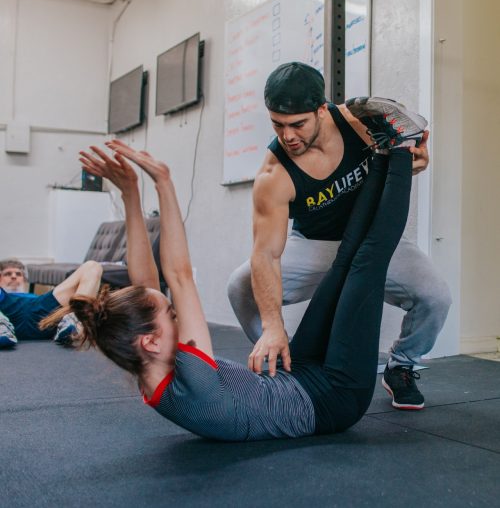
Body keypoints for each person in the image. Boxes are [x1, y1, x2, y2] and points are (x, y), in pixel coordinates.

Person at [44, 128, 414, 442]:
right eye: (171, 315)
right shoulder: (195, 381)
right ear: (151, 341)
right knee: (368, 261)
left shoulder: (144, 362)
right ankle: (401, 146)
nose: (179, 316)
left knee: (344, 262)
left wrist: (130, 194)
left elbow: (149, 284)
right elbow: (180, 276)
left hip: (296, 375)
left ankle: (380, 151)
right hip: (335, 398)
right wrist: (164, 182)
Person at [227, 62, 452, 410]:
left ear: (322, 110)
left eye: (297, 124)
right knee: (240, 286)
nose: (288, 136)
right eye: (278, 125)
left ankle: (401, 365)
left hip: (374, 240)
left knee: (435, 297)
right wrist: (273, 325)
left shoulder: (359, 122)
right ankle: (279, 357)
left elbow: (412, 152)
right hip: (315, 246)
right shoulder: (274, 175)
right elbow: (266, 255)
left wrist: (417, 158)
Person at [0, 258, 102, 348]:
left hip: (43, 311)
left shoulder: (35, 297)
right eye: (8, 274)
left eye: (18, 274)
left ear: (25, 279)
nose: (14, 277)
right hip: (6, 311)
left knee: (92, 267)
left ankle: (75, 320)